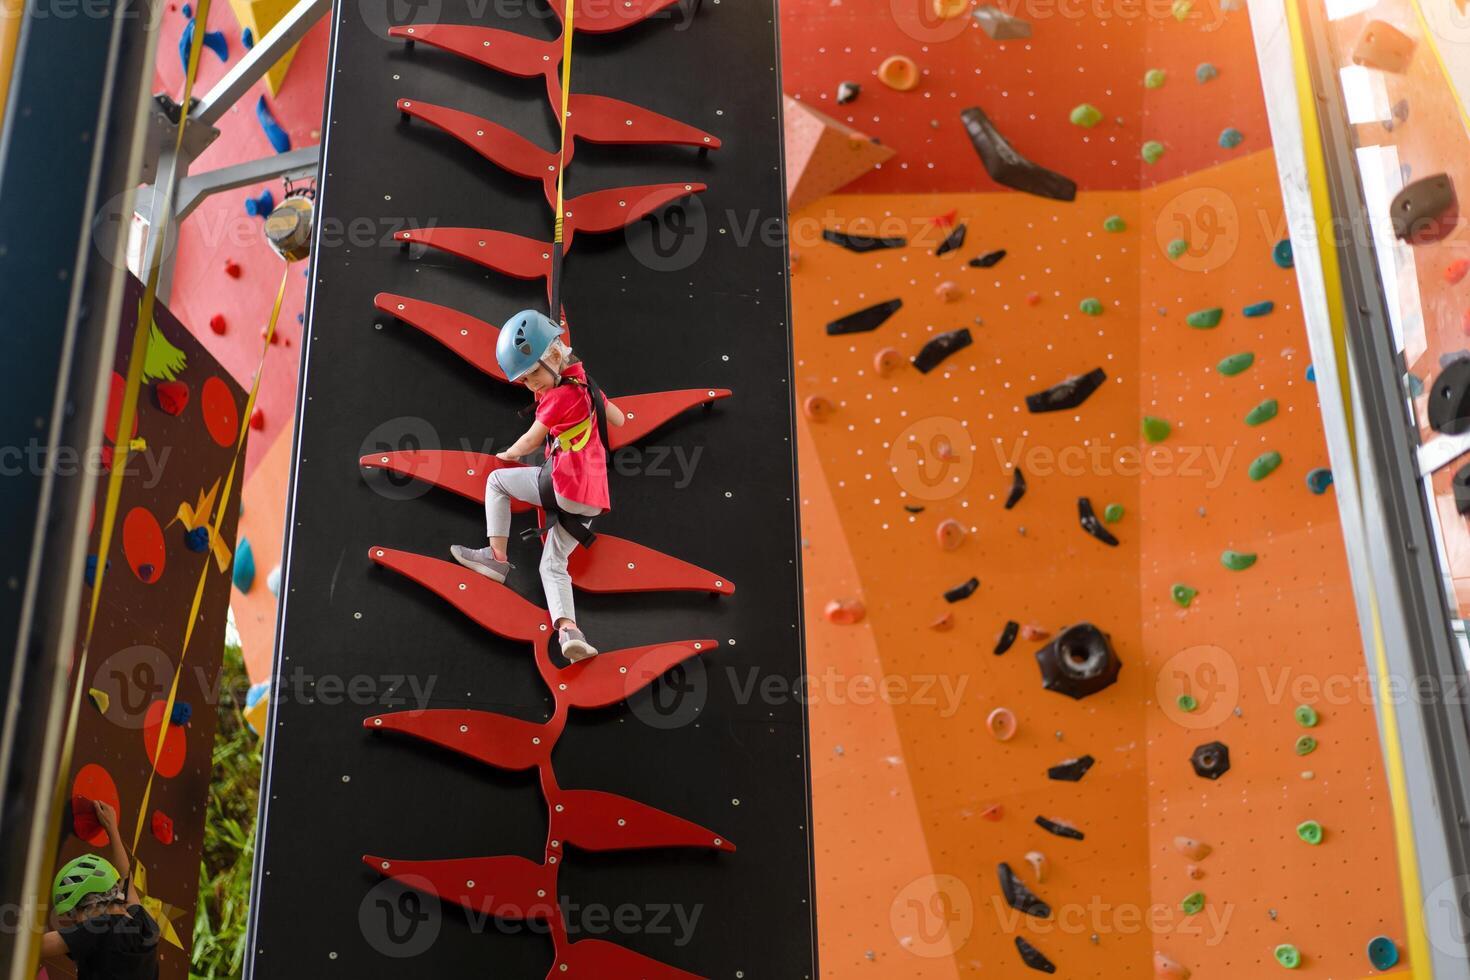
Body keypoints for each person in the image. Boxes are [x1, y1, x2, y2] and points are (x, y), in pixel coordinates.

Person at [452, 310, 624, 662]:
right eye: (526, 381)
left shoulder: (560, 397)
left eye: (533, 374)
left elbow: (531, 439)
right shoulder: (587, 386)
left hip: (564, 485)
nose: (532, 385)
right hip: (592, 500)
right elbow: (618, 418)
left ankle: (496, 558)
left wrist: (508, 454)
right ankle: (570, 633)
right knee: (552, 564)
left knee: (497, 482)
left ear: (555, 357)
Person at [40, 799, 160, 979]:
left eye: (74, 915)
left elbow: (32, 945)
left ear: (89, 902)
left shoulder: (100, 928)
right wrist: (112, 830)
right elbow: (128, 882)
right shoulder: (144, 925)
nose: (76, 923)